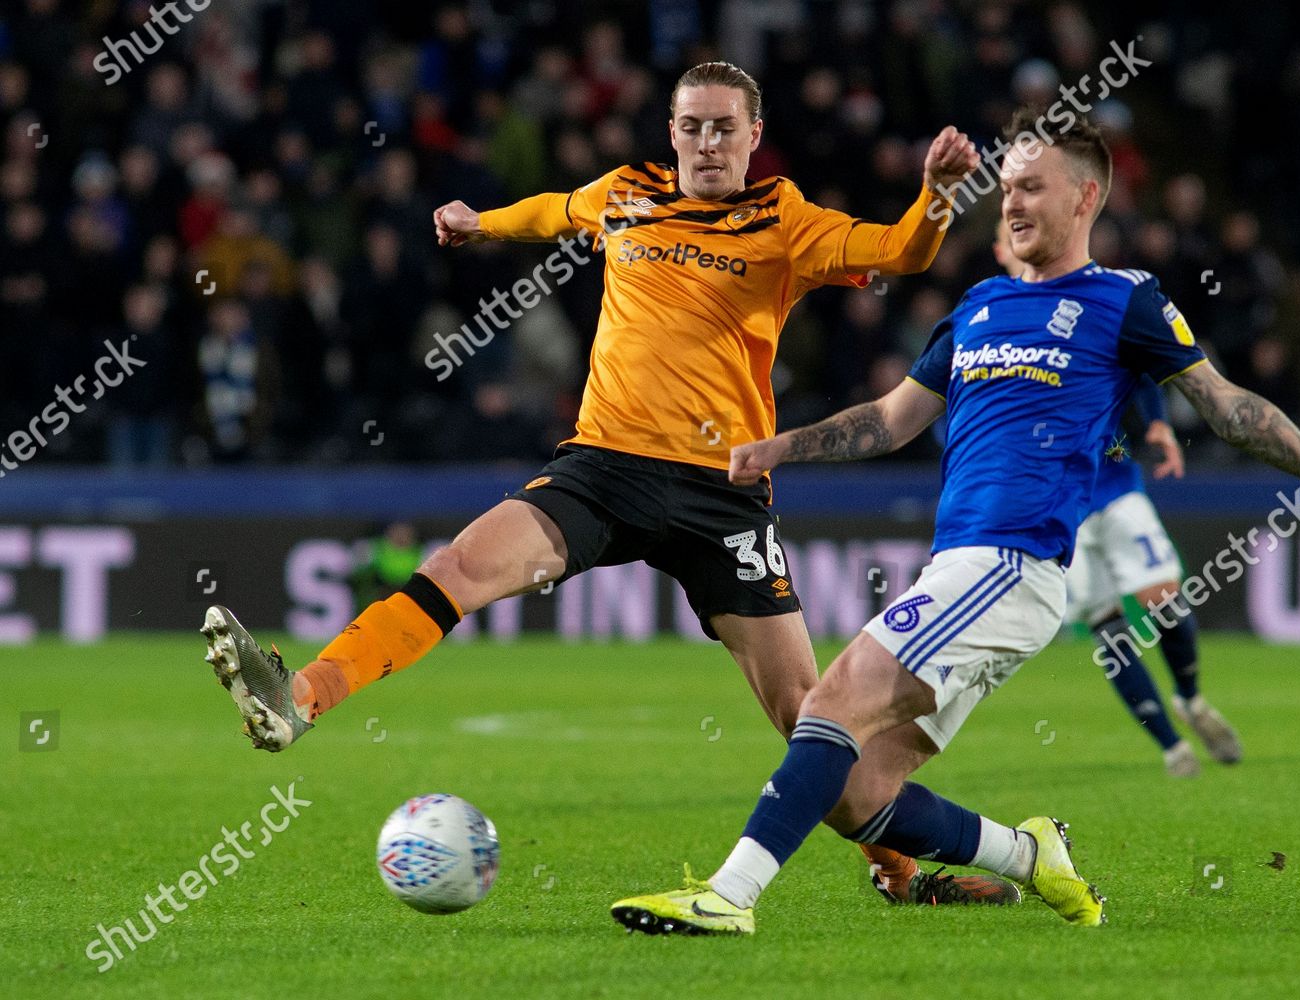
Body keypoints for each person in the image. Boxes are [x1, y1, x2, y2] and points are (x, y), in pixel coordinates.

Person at [199, 60, 996, 905]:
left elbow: (899, 250)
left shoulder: (784, 218)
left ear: (755, 136)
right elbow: (555, 210)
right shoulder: (627, 192)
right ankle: (304, 695)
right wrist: (483, 222)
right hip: (604, 467)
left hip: (720, 494)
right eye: (691, 125)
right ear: (671, 131)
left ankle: (900, 871)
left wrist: (935, 195)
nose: (706, 142)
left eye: (725, 127)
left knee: (812, 726)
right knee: (456, 570)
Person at [611, 108, 1300, 935]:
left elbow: (1231, 411)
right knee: (855, 794)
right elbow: (892, 419)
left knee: (829, 707)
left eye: (1032, 187)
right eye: (1005, 191)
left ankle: (730, 896)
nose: (1013, 204)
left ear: (1086, 198)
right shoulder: (979, 305)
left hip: (1010, 562)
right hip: (960, 569)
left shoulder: (1125, 300)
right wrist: (783, 446)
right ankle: (1031, 855)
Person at [1001, 223, 1242, 779]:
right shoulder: (1005, 326)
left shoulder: (1097, 312)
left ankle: (1190, 698)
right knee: (1106, 624)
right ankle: (1170, 745)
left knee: (1162, 597)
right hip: (1060, 510)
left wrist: (1157, 426)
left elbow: (1137, 372)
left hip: (1113, 486)